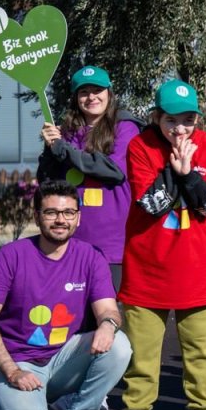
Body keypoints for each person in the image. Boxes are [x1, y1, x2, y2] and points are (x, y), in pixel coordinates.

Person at [0, 180, 131, 410]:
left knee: (119, 345)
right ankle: (27, 403)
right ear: (37, 216)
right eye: (51, 212)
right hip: (16, 360)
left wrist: (107, 325)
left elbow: (108, 310)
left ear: (78, 218)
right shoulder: (11, 256)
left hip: (62, 358)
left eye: (68, 212)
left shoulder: (91, 256)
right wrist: (12, 371)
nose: (61, 220)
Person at [120, 79, 206, 410]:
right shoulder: (139, 146)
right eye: (171, 121)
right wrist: (176, 169)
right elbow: (150, 204)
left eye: (188, 120)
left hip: (198, 269)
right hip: (147, 270)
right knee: (142, 353)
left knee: (200, 352)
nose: (180, 129)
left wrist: (188, 174)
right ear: (155, 117)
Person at [36, 65, 142, 288]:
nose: (91, 97)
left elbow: (113, 170)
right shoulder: (67, 132)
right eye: (84, 92)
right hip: (72, 241)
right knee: (74, 313)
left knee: (108, 311)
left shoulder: (125, 128)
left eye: (97, 90)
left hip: (113, 244)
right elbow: (48, 183)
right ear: (75, 98)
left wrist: (63, 150)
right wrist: (50, 149)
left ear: (109, 93)